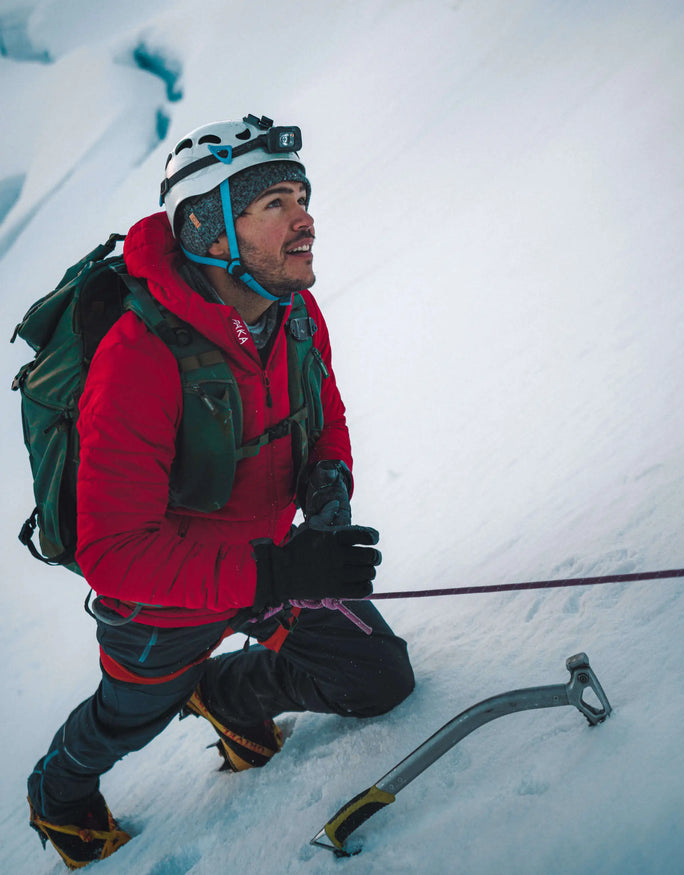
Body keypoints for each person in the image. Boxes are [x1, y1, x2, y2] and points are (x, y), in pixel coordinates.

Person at [26, 113, 415, 869]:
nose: (306, 220)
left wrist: (328, 489)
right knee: (128, 718)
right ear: (208, 228)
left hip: (275, 561)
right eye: (275, 204)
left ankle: (231, 696)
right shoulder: (139, 358)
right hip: (165, 598)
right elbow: (112, 550)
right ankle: (58, 793)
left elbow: (324, 413)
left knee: (377, 675)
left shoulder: (292, 311)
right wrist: (279, 572)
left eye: (301, 196)